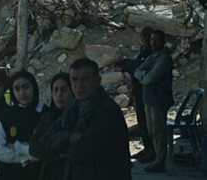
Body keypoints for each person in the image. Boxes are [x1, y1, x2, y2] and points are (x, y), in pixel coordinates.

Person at [43, 58, 132, 180]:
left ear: (97, 80)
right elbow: (46, 140)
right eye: (74, 80)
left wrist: (62, 145)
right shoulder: (73, 107)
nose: (79, 86)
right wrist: (70, 137)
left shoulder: (107, 111)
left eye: (85, 79)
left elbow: (82, 151)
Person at [0, 70, 44, 180]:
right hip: (10, 174)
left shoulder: (45, 114)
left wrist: (16, 146)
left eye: (26, 87)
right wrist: (23, 159)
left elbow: (43, 152)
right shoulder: (7, 115)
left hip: (39, 173)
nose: (22, 93)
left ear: (33, 87)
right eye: (17, 89)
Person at [135, 29, 174, 173]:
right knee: (152, 132)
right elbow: (138, 70)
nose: (153, 43)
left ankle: (160, 160)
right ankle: (156, 157)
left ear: (163, 41)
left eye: (156, 40)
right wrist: (143, 77)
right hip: (149, 99)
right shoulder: (152, 56)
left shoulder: (164, 58)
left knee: (159, 131)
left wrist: (143, 78)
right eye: (152, 40)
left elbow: (151, 77)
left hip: (159, 99)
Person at [29, 72, 74, 180]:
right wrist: (55, 155)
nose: (59, 94)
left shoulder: (79, 117)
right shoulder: (48, 117)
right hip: (49, 172)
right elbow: (34, 147)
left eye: (64, 90)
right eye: (55, 90)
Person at [120, 27, 155, 163]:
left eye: (147, 36)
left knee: (149, 123)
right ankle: (147, 148)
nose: (144, 39)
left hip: (148, 94)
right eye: (143, 36)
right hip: (139, 93)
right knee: (142, 121)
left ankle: (152, 150)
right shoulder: (143, 51)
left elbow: (139, 68)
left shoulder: (152, 54)